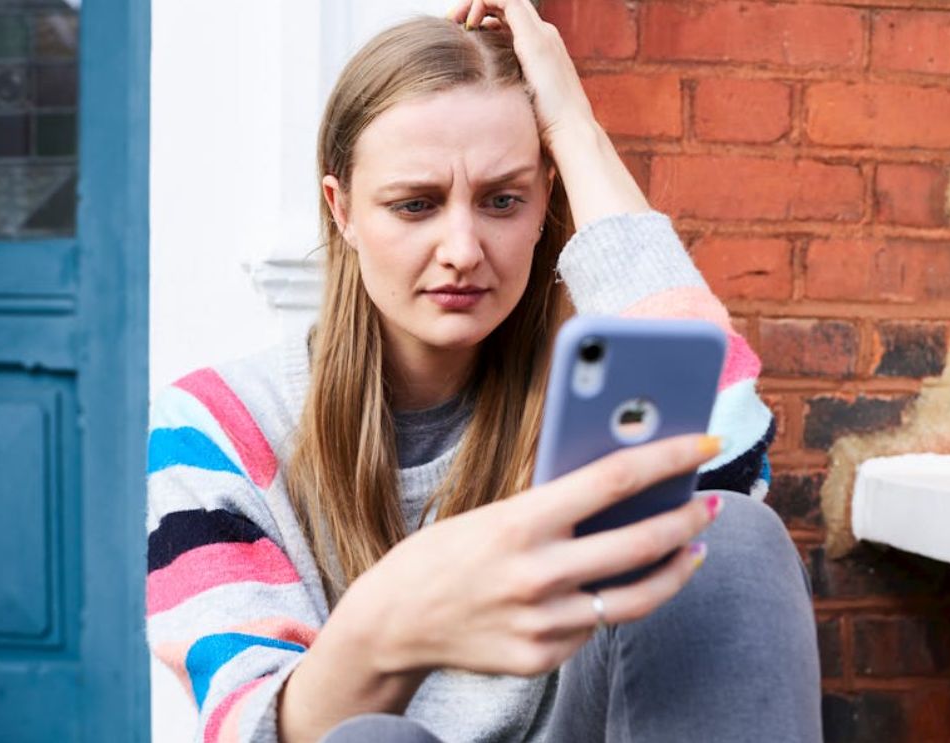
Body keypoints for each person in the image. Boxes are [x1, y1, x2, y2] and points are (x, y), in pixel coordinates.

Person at [145, 1, 820, 741]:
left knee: (732, 539)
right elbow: (250, 725)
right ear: (340, 210)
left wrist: (577, 130)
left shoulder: (593, 409)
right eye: (415, 205)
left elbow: (719, 479)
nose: (463, 247)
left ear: (544, 206)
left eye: (503, 200)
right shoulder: (213, 426)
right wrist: (393, 615)